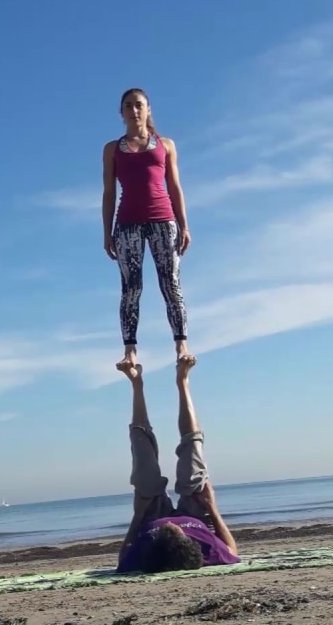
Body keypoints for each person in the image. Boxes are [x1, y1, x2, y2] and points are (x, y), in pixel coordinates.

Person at [115, 356, 239, 573]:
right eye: (176, 532)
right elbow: (232, 551)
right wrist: (212, 508)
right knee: (193, 450)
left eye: (167, 531)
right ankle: (182, 380)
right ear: (187, 542)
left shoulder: (148, 554)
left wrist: (137, 515)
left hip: (151, 514)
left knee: (142, 456)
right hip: (196, 513)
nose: (171, 525)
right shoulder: (207, 552)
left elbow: (123, 557)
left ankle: (136, 383)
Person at [101, 87, 194, 370]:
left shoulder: (165, 145)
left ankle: (181, 345)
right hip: (127, 223)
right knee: (131, 288)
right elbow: (108, 192)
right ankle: (130, 351)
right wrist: (107, 232)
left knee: (171, 283)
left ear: (148, 109)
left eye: (139, 105)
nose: (134, 110)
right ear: (122, 112)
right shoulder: (112, 149)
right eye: (128, 106)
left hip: (163, 221)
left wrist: (184, 224)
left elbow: (174, 187)